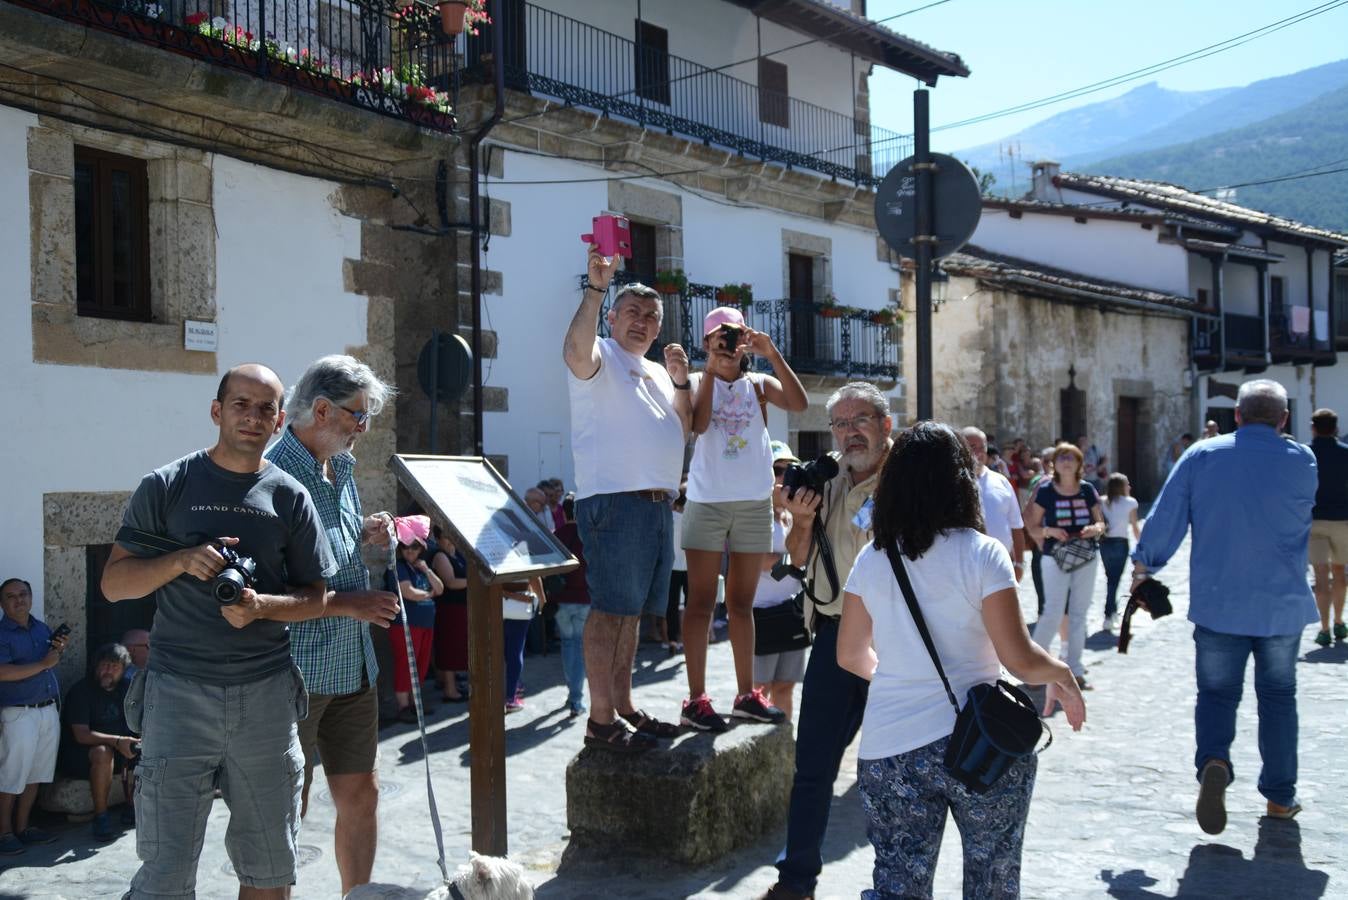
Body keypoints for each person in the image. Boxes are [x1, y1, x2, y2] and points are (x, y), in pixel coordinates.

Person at [102, 363, 336, 899]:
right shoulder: (166, 486)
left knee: (271, 871)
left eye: (264, 408)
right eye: (240, 404)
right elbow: (114, 584)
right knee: (164, 876)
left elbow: (315, 598)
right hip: (177, 695)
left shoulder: (289, 496)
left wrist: (260, 607)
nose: (251, 417)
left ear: (279, 421)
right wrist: (182, 560)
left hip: (266, 702)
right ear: (216, 410)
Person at [836, 422, 1085, 900]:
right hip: (979, 740)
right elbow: (1020, 659)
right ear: (960, 481)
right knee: (992, 880)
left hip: (891, 747)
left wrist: (901, 677)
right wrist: (1063, 673)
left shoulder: (873, 557)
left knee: (896, 887)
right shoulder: (983, 554)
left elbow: (849, 654)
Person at [1133, 379, 1317, 833]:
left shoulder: (1203, 455)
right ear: (1284, 419)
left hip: (1220, 602)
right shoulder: (1303, 460)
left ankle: (1214, 761)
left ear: (1236, 415)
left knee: (1216, 695)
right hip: (1281, 605)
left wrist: (1144, 566)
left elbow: (1168, 515)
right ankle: (1279, 798)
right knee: (1278, 698)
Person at [265, 353, 400, 894]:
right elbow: (266, 594)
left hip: (351, 666)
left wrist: (363, 531)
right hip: (293, 671)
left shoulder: (339, 467)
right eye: (357, 416)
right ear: (321, 409)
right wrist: (352, 603)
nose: (363, 429)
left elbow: (327, 548)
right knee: (285, 805)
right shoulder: (273, 477)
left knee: (362, 795)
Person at [760, 382, 892, 900]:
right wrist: (806, 518)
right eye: (839, 423)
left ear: (885, 425)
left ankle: (897, 882)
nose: (848, 431)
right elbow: (794, 557)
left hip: (897, 640)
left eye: (860, 419)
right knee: (813, 765)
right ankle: (795, 883)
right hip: (836, 636)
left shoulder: (908, 481)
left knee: (891, 769)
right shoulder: (825, 479)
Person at [563, 243, 689, 752]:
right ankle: (599, 720)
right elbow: (575, 349)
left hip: (657, 506)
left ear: (659, 329)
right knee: (611, 609)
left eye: (651, 316)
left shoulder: (657, 372)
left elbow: (684, 427)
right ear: (611, 319)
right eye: (632, 312)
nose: (641, 322)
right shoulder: (600, 356)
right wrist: (596, 287)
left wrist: (681, 383)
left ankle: (625, 705)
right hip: (616, 501)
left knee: (631, 614)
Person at [679, 306, 808, 731]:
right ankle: (696, 699)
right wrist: (713, 371)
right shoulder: (699, 381)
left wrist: (772, 354)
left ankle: (746, 695)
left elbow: (799, 403)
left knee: (740, 604)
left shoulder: (758, 384)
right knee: (699, 603)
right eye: (718, 337)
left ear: (745, 339)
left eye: (732, 335)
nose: (727, 344)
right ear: (706, 343)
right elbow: (697, 425)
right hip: (708, 501)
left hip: (753, 503)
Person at [1024, 442, 1106, 689]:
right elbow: (1032, 526)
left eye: (1071, 457)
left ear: (1080, 463)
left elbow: (1101, 523)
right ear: (1055, 463)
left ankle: (1075, 669)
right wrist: (1049, 531)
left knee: (1080, 613)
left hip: (1085, 556)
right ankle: (1034, 670)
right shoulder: (1047, 491)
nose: (1067, 461)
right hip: (1054, 556)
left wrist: (1095, 529)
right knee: (1053, 611)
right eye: (1062, 457)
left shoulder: (1087, 490)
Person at [0, 577, 66, 855]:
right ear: (2, 604)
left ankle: (24, 827)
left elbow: (49, 661)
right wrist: (43, 664)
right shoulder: (2, 634)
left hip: (46, 710)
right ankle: (4, 833)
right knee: (11, 776)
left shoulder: (40, 628)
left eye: (23, 594)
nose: (19, 600)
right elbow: (2, 672)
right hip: (18, 714)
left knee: (36, 774)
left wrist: (56, 651)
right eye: (12, 596)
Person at [57, 642, 139, 841]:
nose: (108, 671)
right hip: (82, 755)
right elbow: (81, 735)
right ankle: (101, 817)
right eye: (104, 665)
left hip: (119, 749)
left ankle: (133, 806)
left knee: (144, 747)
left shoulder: (126, 690)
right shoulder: (82, 691)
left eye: (115, 666)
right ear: (96, 666)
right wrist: (117, 741)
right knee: (103, 752)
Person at [751, 442, 806, 721]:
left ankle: (784, 745)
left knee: (785, 687)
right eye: (778, 469)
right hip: (761, 616)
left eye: (791, 469)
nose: (786, 477)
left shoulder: (790, 515)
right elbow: (759, 560)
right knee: (759, 691)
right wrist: (794, 564)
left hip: (791, 612)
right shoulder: (752, 513)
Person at [962, 427, 1026, 582]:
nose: (978, 452)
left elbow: (1016, 526)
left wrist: (1019, 564)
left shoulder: (1001, 481)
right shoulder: (951, 484)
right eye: (972, 447)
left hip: (1000, 565)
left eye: (982, 447)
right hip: (965, 568)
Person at [1307, 408, 1348, 647]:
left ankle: (1324, 628)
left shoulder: (1305, 454)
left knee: (1321, 575)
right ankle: (1339, 621)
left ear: (1313, 427)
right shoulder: (1345, 454)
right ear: (1335, 428)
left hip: (1314, 520)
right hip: (1343, 519)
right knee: (1340, 572)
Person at [393, 533, 443, 723]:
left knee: (421, 663)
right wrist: (429, 594)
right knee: (405, 664)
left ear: (421, 548)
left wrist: (427, 570)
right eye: (406, 547)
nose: (410, 551)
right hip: (405, 624)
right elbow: (408, 592)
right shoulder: (398, 566)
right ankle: (403, 706)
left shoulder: (421, 567)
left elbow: (440, 588)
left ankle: (415, 703)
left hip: (424, 623)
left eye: (414, 547)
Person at [552, 498, 592, 717]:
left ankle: (573, 694)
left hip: (562, 597)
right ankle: (576, 698)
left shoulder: (557, 535)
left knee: (568, 645)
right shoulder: (588, 534)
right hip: (584, 597)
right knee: (578, 646)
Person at [429, 530, 470, 702]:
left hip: (461, 608)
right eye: (446, 536)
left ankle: (454, 685)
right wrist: (476, 581)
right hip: (448, 609)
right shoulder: (440, 556)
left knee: (459, 647)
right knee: (449, 648)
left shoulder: (457, 554)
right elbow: (451, 582)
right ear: (438, 538)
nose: (450, 539)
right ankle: (450, 690)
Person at [1099, 473, 1141, 632]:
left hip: (1105, 543)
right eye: (1127, 484)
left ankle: (1112, 612)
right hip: (1120, 543)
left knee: (1111, 578)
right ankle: (1108, 615)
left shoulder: (1102, 502)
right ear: (1121, 486)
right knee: (1114, 580)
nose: (1129, 487)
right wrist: (1142, 544)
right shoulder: (1130, 503)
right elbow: (1135, 527)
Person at [502, 578, 547, 714]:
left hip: (497, 605)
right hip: (519, 608)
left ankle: (515, 686)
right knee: (515, 651)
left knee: (508, 650)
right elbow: (535, 579)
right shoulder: (522, 557)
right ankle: (511, 697)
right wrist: (541, 601)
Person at [665, 483, 689, 655]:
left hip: (672, 566)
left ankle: (672, 639)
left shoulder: (669, 518)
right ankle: (688, 639)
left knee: (671, 606)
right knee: (690, 605)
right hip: (689, 566)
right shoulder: (690, 519)